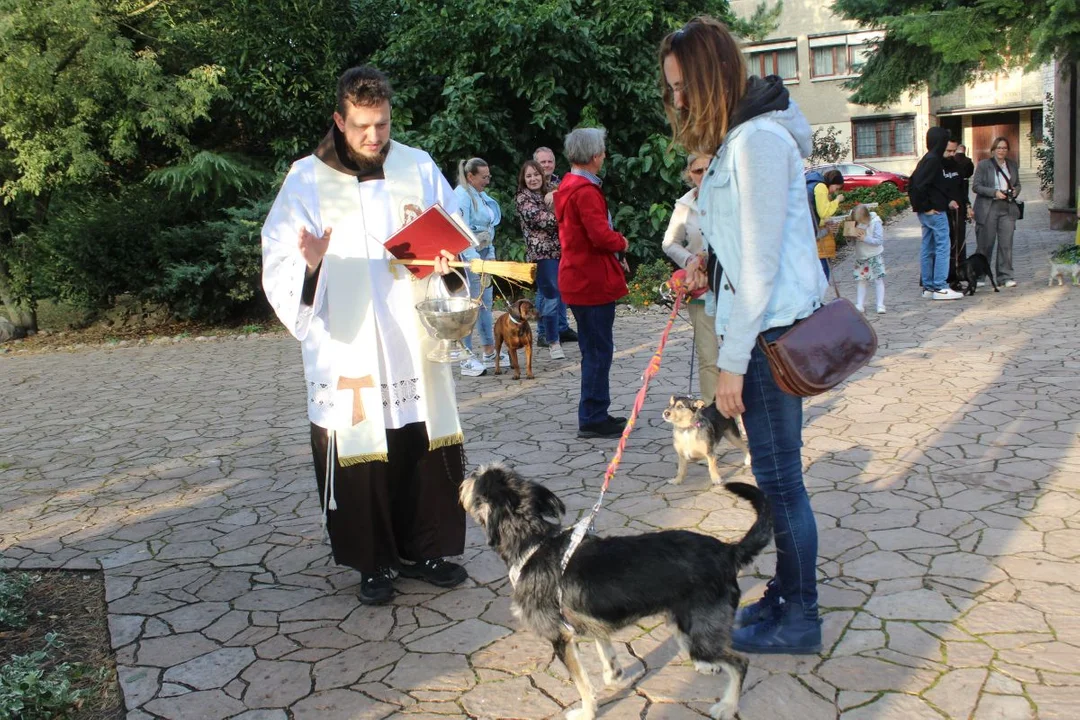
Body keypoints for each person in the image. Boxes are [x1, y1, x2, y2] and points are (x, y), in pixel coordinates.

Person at [261, 66, 469, 606]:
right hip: (347, 345)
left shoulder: (417, 165)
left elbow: (452, 232)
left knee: (417, 439)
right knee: (363, 448)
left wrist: (449, 258)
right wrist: (310, 267)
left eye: (381, 124)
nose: (374, 137)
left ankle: (424, 549)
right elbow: (278, 257)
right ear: (339, 119)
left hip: (410, 334)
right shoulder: (306, 179)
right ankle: (372, 562)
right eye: (361, 126)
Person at [660, 16, 828, 654]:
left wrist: (730, 365)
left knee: (781, 481)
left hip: (767, 337)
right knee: (779, 478)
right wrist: (710, 260)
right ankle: (787, 594)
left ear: (709, 78)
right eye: (672, 88)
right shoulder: (741, 138)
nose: (677, 100)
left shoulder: (757, 141)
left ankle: (800, 614)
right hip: (759, 330)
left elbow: (759, 269)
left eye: (682, 86)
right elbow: (745, 250)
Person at [554, 128, 629, 439]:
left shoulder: (569, 187)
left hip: (577, 278)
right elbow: (600, 235)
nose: (604, 155)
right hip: (591, 281)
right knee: (599, 351)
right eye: (602, 150)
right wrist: (622, 241)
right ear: (595, 156)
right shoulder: (585, 192)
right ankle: (594, 415)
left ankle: (594, 411)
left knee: (593, 349)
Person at [662, 153, 720, 403]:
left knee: (742, 355)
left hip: (734, 288)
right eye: (698, 171)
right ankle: (715, 415)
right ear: (689, 174)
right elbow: (669, 243)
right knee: (709, 357)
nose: (705, 175)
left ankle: (748, 413)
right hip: (700, 289)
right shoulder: (684, 206)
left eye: (710, 168)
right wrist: (689, 261)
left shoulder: (733, 198)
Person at [454, 157, 508, 376]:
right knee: (468, 307)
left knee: (485, 305)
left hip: (484, 253)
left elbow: (489, 230)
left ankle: (488, 350)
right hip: (469, 257)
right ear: (470, 176)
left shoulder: (481, 197)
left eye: (488, 176)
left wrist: (490, 256)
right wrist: (473, 259)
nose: (488, 180)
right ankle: (465, 356)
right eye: (484, 177)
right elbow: (461, 229)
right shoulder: (461, 196)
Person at [515, 161, 565, 360]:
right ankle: (553, 341)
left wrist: (555, 196)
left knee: (559, 295)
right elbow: (545, 220)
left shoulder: (551, 191)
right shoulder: (522, 198)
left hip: (561, 252)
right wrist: (559, 212)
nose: (533, 179)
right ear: (523, 179)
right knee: (551, 296)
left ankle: (553, 334)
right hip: (542, 255)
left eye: (536, 175)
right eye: (529, 176)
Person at [908, 127, 963, 300]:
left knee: (928, 247)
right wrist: (925, 207)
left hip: (930, 211)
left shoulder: (927, 159)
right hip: (934, 212)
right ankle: (940, 286)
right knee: (942, 246)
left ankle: (929, 286)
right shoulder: (933, 160)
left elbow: (917, 183)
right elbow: (918, 186)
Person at [532, 146, 576, 347]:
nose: (547, 165)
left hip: (563, 244)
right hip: (542, 247)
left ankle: (561, 327)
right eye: (543, 162)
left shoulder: (561, 183)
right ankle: (543, 331)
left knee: (563, 287)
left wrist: (557, 193)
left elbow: (573, 197)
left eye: (549, 161)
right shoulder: (531, 184)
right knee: (546, 290)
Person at [973, 136, 1022, 288]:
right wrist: (994, 192)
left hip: (1007, 208)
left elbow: (1018, 184)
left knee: (1006, 244)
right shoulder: (983, 165)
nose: (1002, 151)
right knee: (985, 244)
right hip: (989, 207)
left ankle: (1005, 276)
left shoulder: (1012, 165)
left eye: (1004, 148)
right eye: (999, 148)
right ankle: (980, 275)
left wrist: (1015, 191)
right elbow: (976, 186)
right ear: (993, 150)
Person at [942, 140, 975, 286]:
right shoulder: (935, 166)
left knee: (960, 244)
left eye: (954, 151)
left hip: (959, 211)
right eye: (949, 151)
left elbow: (962, 189)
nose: (952, 154)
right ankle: (945, 278)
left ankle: (958, 277)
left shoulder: (957, 166)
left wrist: (968, 206)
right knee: (946, 247)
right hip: (943, 212)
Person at [804, 168, 845, 280]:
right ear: (831, 182)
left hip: (804, 225)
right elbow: (824, 213)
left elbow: (816, 211)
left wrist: (825, 222)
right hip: (810, 230)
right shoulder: (821, 186)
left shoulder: (812, 183)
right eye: (836, 188)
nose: (834, 191)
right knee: (823, 273)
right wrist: (836, 201)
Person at [850, 204, 886, 314]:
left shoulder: (875, 222)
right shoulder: (855, 223)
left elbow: (879, 241)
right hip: (861, 256)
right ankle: (860, 304)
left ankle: (880, 304)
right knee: (861, 280)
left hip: (874, 255)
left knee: (878, 279)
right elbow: (851, 243)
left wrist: (865, 238)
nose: (859, 223)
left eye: (861, 221)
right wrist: (850, 237)